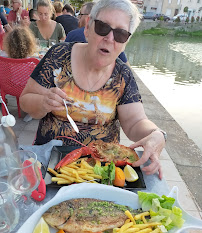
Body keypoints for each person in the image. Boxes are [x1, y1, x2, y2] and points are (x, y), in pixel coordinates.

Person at [20, 0, 166, 179]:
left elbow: (135, 122)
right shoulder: (58, 56)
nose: (110, 38)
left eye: (120, 34)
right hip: (49, 165)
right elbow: (26, 100)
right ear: (88, 27)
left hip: (101, 170)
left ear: (125, 42)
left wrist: (156, 134)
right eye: (103, 27)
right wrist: (43, 102)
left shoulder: (123, 75)